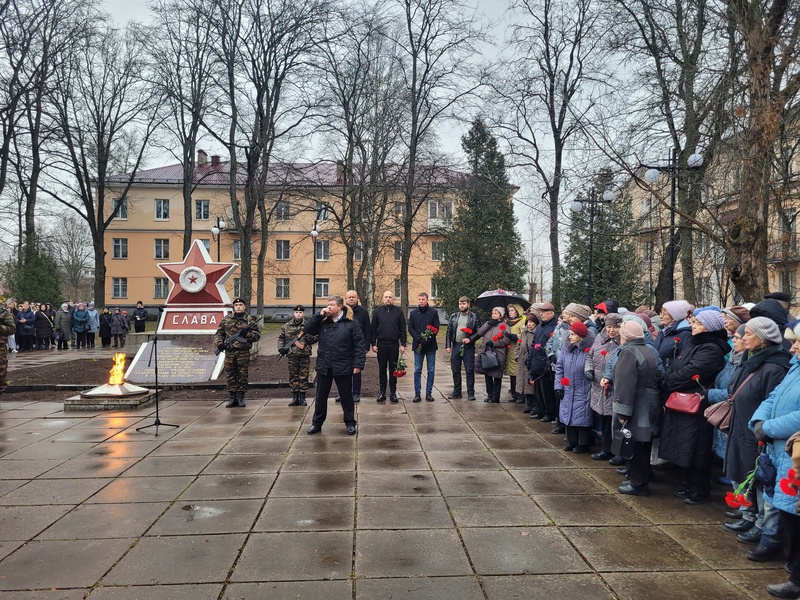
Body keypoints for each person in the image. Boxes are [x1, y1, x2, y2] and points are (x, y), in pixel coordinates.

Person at [722, 317, 791, 561]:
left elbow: (770, 401)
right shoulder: (750, 360)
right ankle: (749, 516)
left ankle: (763, 527)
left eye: (748, 334)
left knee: (760, 480)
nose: (742, 337)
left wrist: (761, 426)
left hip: (757, 432)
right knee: (743, 473)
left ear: (762, 338)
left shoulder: (774, 366)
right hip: (743, 425)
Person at [750, 321, 800, 597]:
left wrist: (768, 428)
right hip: (781, 451)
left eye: (798, 343)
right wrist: (759, 419)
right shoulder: (795, 368)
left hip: (793, 454)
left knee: (795, 516)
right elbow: (772, 398)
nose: (792, 348)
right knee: (789, 515)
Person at [659, 307, 729, 505]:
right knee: (685, 444)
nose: (693, 325)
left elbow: (692, 371)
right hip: (683, 399)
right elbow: (677, 365)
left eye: (698, 323)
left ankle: (699, 488)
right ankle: (688, 483)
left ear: (709, 327)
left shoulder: (712, 348)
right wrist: (671, 377)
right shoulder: (695, 342)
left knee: (697, 446)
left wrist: (669, 381)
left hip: (696, 404)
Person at [612, 320, 662, 496]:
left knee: (635, 443)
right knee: (643, 443)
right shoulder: (647, 349)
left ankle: (638, 483)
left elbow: (625, 385)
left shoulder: (628, 352)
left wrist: (622, 413)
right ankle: (640, 478)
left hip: (638, 405)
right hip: (650, 402)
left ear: (625, 335)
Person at [305, 295, 365, 435]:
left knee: (346, 396)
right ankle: (317, 423)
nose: (328, 307)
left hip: (343, 365)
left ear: (339, 307)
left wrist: (358, 364)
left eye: (331, 305)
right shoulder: (323, 321)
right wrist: (318, 316)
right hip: (324, 365)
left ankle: (350, 423)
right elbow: (308, 330)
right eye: (328, 304)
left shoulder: (351, 323)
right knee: (320, 397)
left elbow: (359, 344)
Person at [555, 321, 597, 453]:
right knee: (568, 413)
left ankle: (583, 443)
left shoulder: (588, 350)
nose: (570, 337)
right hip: (568, 386)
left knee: (582, 415)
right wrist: (559, 386)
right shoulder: (566, 348)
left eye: (573, 334)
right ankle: (571, 440)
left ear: (581, 336)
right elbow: (560, 366)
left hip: (583, 387)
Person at [214, 297, 261, 408]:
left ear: (244, 307)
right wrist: (220, 344)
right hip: (230, 352)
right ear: (234, 307)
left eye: (240, 305)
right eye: (236, 305)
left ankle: (240, 398)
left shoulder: (249, 320)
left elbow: (257, 336)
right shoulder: (226, 320)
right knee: (230, 375)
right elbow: (219, 333)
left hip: (243, 352)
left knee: (242, 375)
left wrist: (247, 335)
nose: (238, 306)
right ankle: (232, 398)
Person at [587, 312, 622, 460]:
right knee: (602, 418)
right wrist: (588, 369)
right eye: (608, 327)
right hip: (597, 385)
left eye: (615, 327)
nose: (611, 330)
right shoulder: (599, 338)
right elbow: (590, 355)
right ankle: (605, 448)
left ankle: (614, 451)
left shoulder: (622, 343)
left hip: (612, 387)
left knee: (611, 421)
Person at [370, 290, 407, 403]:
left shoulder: (398, 312)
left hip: (394, 344)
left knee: (393, 369)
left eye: (390, 297)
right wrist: (373, 344)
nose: (388, 299)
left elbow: (402, 329)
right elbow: (373, 329)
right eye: (386, 297)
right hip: (381, 344)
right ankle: (382, 392)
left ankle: (393, 393)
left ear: (393, 299)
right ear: (383, 298)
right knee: (382, 369)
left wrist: (403, 344)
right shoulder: (377, 312)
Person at [472, 306, 513, 403]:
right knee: (487, 374)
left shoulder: (504, 326)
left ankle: (496, 396)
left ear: (500, 315)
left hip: (498, 353)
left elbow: (506, 340)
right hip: (486, 352)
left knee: (497, 375)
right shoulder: (489, 323)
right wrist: (488, 325)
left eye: (495, 313)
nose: (493, 315)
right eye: (492, 313)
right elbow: (480, 332)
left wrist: (495, 343)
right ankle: (489, 394)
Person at [445, 296, 482, 401]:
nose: (462, 305)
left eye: (464, 303)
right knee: (455, 370)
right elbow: (449, 332)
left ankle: (471, 392)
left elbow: (479, 332)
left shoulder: (474, 317)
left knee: (469, 370)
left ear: (468, 304)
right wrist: (448, 345)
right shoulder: (454, 316)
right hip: (456, 345)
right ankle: (457, 392)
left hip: (468, 347)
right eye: (460, 303)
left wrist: (470, 339)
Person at [279, 305, 316, 407]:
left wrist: (308, 336)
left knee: (303, 376)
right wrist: (281, 348)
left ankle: (303, 397)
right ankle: (295, 397)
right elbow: (281, 338)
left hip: (304, 354)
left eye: (300, 312)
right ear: (293, 313)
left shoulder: (309, 325)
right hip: (292, 355)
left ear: (303, 313)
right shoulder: (286, 326)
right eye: (296, 312)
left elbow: (316, 338)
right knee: (293, 375)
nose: (298, 314)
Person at [526, 303, 557, 420]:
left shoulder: (554, 327)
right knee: (538, 389)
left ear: (551, 313)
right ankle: (540, 411)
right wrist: (529, 360)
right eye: (541, 312)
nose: (541, 314)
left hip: (545, 362)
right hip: (536, 362)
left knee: (547, 390)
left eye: (544, 312)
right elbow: (534, 344)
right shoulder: (540, 326)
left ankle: (549, 413)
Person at [408, 292, 440, 402]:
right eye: (419, 299)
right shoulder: (413, 313)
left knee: (431, 370)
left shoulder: (433, 312)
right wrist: (419, 339)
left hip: (430, 345)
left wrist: (428, 339)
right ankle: (417, 393)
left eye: (423, 299)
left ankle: (428, 393)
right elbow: (410, 328)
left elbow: (436, 328)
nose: (421, 301)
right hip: (418, 345)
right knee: (417, 370)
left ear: (427, 300)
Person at [344, 290, 371, 403]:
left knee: (356, 370)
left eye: (353, 297)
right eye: (349, 297)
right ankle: (344, 393)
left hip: (358, 347)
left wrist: (366, 347)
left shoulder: (363, 312)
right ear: (345, 299)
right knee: (344, 371)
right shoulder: (342, 311)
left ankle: (356, 393)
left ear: (357, 298)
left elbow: (368, 330)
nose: (351, 299)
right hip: (344, 346)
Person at [653, 299, 693, 369]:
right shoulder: (662, 332)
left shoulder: (685, 334)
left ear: (674, 317)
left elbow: (683, 360)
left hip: (670, 376)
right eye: (661, 313)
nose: (660, 316)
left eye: (664, 314)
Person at [503, 303, 526, 402]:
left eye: (512, 310)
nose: (510, 312)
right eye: (509, 311)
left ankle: (520, 394)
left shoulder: (522, 321)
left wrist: (514, 336)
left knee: (518, 373)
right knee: (511, 373)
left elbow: (523, 335)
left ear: (517, 311)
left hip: (518, 350)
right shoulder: (507, 322)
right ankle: (513, 393)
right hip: (509, 349)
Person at [516, 314, 539, 412]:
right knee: (523, 382)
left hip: (530, 362)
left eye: (532, 322)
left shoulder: (537, 333)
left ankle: (534, 405)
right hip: (522, 361)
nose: (529, 324)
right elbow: (518, 344)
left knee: (531, 384)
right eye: (528, 322)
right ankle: (528, 403)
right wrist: (517, 356)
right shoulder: (523, 332)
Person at [0, 301, 17, 394]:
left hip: (0, 348)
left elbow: (12, 329)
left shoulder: (5, 313)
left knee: (1, 375)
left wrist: (1, 328)